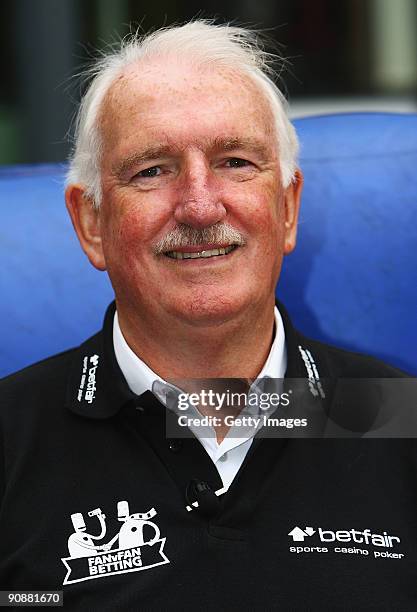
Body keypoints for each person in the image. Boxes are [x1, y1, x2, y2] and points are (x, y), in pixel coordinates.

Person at [0, 20, 415, 611]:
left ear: (289, 207)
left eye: (236, 162)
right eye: (152, 170)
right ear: (91, 223)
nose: (199, 204)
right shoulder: (11, 444)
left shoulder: (400, 423)